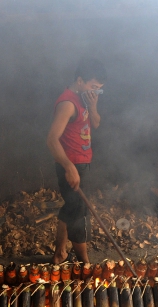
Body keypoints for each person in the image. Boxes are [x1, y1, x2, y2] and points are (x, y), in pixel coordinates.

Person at [47, 58, 106, 264]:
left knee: (71, 208)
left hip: (82, 163)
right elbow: (51, 139)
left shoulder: (85, 99)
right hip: (71, 166)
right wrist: (69, 167)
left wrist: (93, 105)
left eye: (99, 89)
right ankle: (85, 262)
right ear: (80, 81)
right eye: (93, 87)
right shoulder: (68, 103)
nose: (95, 92)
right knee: (79, 213)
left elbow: (96, 124)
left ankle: (59, 254)